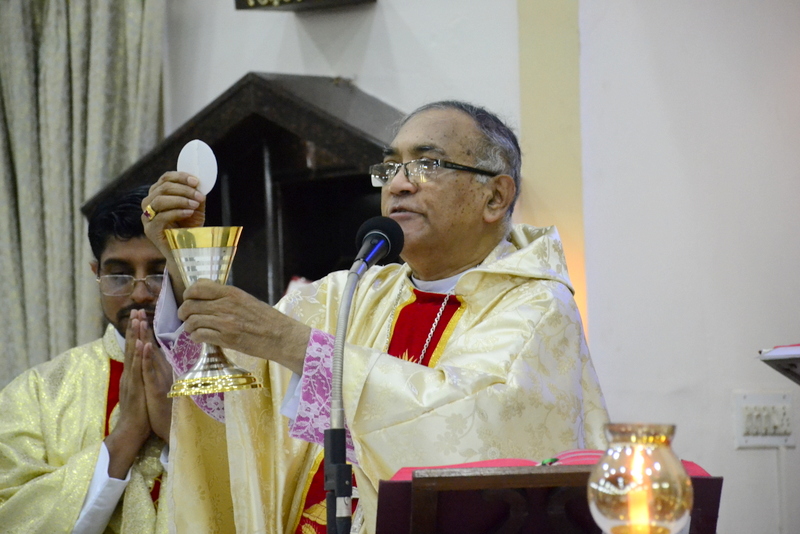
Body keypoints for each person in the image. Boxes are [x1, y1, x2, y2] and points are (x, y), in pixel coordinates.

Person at [143, 101, 609, 533]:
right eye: (390, 168)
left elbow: (472, 431)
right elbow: (239, 394)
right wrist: (181, 258)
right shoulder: (352, 293)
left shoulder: (537, 305)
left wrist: (295, 345)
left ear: (495, 197)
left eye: (428, 164)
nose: (398, 185)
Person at [0, 186, 174, 534]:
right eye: (119, 275)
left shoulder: (237, 377)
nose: (140, 293)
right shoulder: (37, 392)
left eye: (159, 273)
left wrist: (177, 429)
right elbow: (12, 514)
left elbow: (271, 495)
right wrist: (126, 434)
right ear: (97, 273)